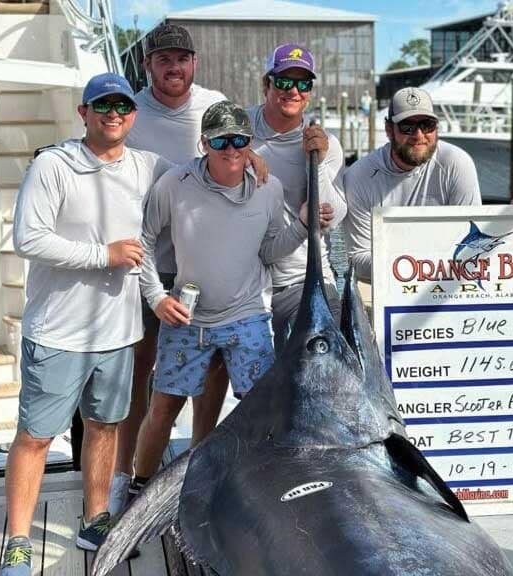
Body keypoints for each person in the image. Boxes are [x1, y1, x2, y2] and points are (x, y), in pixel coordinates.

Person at [0, 73, 171, 576]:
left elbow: (200, 175)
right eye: (102, 105)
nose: (113, 113)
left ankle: (95, 518)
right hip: (57, 332)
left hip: (117, 334)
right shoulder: (55, 164)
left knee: (104, 427)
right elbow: (28, 239)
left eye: (121, 105)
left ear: (132, 115)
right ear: (84, 113)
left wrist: (248, 157)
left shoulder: (147, 166)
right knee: (34, 437)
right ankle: (17, 539)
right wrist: (104, 255)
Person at [131, 100, 328, 489]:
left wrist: (304, 225)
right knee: (163, 408)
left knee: (260, 410)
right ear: (204, 144)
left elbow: (270, 250)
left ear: (250, 143)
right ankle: (140, 486)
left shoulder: (268, 189)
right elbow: (145, 239)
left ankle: (263, 488)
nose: (232, 149)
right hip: (189, 319)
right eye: (222, 142)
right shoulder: (174, 184)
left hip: (247, 318)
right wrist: (156, 296)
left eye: (240, 140)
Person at [113, 23, 265, 513]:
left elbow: (238, 146)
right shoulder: (131, 113)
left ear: (194, 63)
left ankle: (201, 455)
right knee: (141, 371)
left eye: (181, 58)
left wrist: (255, 159)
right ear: (148, 66)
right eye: (162, 60)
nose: (173, 67)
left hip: (202, 273)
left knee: (214, 365)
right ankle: (127, 473)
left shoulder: (213, 101)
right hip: (150, 266)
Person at [343, 87, 481, 311]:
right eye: (407, 126)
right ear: (389, 130)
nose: (418, 135)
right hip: (382, 284)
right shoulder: (358, 176)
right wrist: (414, 266)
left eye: (427, 125)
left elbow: (471, 244)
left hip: (445, 281)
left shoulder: (457, 163)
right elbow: (357, 261)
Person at [246, 43, 346, 352]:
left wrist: (314, 161)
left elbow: (332, 217)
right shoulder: (240, 128)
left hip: (304, 282)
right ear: (267, 84)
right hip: (245, 282)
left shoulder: (325, 142)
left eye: (303, 83)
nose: (294, 90)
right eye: (284, 81)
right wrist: (243, 153)